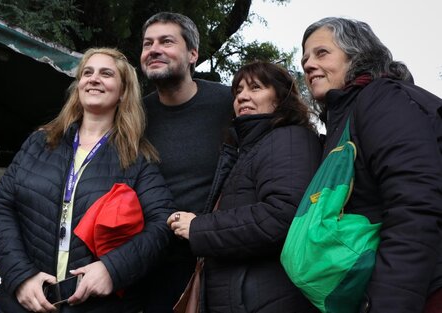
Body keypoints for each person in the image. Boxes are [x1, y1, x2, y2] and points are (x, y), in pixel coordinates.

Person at [0, 47, 175, 313]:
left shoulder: (137, 159)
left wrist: (112, 269)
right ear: (78, 87)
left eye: (106, 73)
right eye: (87, 73)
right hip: (24, 303)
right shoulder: (40, 143)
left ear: (122, 92)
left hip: (98, 307)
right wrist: (21, 277)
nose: (93, 79)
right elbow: (0, 208)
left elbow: (162, 226)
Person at [300, 17, 442, 313]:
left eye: (321, 53)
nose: (308, 65)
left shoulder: (381, 98)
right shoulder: (342, 120)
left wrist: (389, 302)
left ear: (357, 55)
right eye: (305, 59)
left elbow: (416, 203)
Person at [168, 61, 322, 312]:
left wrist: (198, 227)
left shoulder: (289, 138)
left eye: (256, 88)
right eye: (238, 91)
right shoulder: (248, 149)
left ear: (281, 97)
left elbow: (281, 216)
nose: (243, 97)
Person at [139, 12, 233, 311]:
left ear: (193, 54)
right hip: (150, 264)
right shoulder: (134, 116)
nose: (154, 49)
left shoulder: (230, 103)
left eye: (167, 41)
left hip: (218, 260)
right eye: (147, 43)